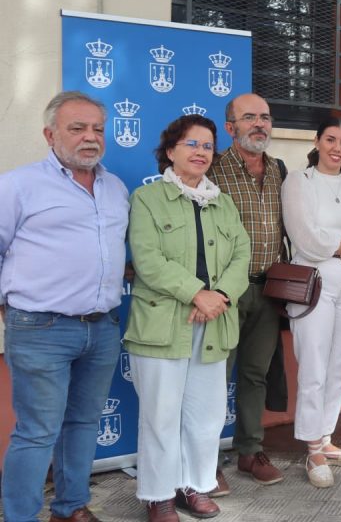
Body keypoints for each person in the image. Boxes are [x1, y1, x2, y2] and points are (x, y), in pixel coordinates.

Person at [0, 91, 129, 522]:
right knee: (37, 432)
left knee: (84, 424)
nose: (90, 137)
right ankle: (20, 516)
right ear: (49, 134)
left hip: (102, 328)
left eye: (97, 129)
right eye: (77, 128)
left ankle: (70, 507)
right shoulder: (18, 185)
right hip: (40, 329)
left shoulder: (115, 188)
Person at [126, 115, 250, 521]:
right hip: (162, 325)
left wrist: (221, 296)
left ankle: (192, 486)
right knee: (161, 417)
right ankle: (158, 495)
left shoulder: (223, 202)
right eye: (191, 144)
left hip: (213, 322)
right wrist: (197, 293)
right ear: (170, 151)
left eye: (208, 146)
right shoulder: (147, 199)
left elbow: (241, 256)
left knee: (205, 415)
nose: (201, 152)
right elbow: (148, 260)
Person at [281, 119, 341, 487]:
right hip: (315, 281)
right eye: (331, 140)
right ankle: (312, 448)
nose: (337, 148)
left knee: (339, 366)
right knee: (314, 365)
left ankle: (326, 438)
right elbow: (306, 238)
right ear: (317, 141)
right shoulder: (299, 181)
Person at [208, 93, 286, 489]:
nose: (260, 124)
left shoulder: (279, 170)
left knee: (256, 373)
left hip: (268, 290)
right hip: (224, 292)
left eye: (265, 117)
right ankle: (206, 461)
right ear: (230, 127)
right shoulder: (213, 169)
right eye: (249, 117)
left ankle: (250, 452)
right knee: (214, 376)